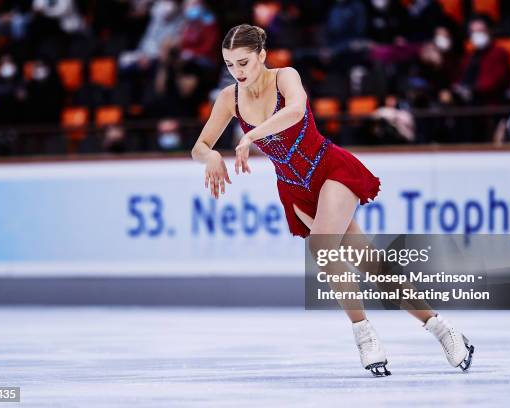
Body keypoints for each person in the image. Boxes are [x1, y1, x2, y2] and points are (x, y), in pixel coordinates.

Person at [190, 24, 474, 377]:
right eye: (230, 64)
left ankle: (364, 334)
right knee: (373, 266)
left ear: (262, 55)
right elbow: (199, 146)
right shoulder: (228, 98)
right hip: (295, 188)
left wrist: (251, 138)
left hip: (329, 169)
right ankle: (442, 329)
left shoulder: (285, 77)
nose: (238, 72)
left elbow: (295, 111)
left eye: (244, 62)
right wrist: (211, 157)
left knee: (321, 248)